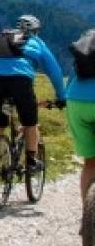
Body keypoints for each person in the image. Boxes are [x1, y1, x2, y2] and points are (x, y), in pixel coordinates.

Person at [0, 14, 66, 173]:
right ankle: (31, 162)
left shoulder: (5, 38)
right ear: (35, 30)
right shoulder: (37, 42)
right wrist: (61, 97)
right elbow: (55, 71)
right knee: (30, 123)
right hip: (20, 81)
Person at [65, 29, 95, 208]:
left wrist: (64, 98)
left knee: (90, 163)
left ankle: (88, 216)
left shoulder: (85, 48)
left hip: (76, 100)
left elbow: (70, 79)